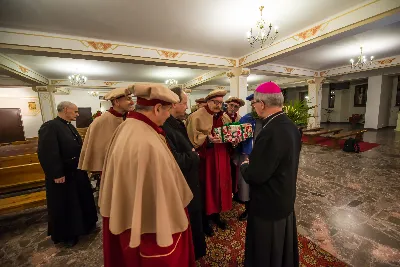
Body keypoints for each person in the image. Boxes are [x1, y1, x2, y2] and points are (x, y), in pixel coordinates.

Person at [99, 84, 195, 267]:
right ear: (158, 108)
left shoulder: (129, 126)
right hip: (149, 223)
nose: (168, 116)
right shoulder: (145, 140)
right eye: (167, 110)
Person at [240, 82, 301, 267]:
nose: (254, 106)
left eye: (254, 103)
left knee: (266, 251)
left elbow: (256, 175)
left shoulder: (270, 131)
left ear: (262, 104)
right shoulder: (290, 126)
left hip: (269, 203)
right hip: (284, 195)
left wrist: (245, 165)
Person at [37, 101, 98, 247]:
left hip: (76, 172)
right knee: (66, 205)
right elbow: (47, 153)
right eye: (75, 112)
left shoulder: (69, 126)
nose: (77, 114)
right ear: (65, 110)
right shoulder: (50, 127)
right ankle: (67, 234)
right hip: (62, 175)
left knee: (79, 201)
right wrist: (56, 173)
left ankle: (84, 226)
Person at [162, 87, 206, 260]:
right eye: (184, 103)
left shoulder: (176, 123)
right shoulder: (165, 128)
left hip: (190, 179)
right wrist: (193, 155)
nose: (187, 108)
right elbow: (174, 160)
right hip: (183, 182)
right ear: (174, 104)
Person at [186, 89, 231, 237]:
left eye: (220, 103)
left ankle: (216, 215)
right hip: (207, 159)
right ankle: (205, 221)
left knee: (220, 187)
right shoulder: (196, 116)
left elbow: (229, 134)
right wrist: (207, 139)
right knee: (207, 188)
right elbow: (192, 138)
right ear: (208, 102)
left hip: (222, 157)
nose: (218, 105)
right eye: (215, 102)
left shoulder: (224, 117)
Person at [78, 87, 134, 189]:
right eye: (128, 99)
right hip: (109, 172)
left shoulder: (132, 119)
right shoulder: (100, 122)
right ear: (117, 102)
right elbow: (97, 149)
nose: (132, 103)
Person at [236, 94, 263, 221]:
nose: (253, 106)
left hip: (263, 156)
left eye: (255, 103)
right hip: (247, 154)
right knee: (246, 184)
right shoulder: (247, 118)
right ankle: (248, 209)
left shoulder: (268, 119)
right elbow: (237, 136)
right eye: (252, 104)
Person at [222, 97, 245, 201]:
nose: (233, 108)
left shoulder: (240, 119)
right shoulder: (221, 117)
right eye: (231, 105)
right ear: (227, 105)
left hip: (235, 150)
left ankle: (235, 192)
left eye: (236, 106)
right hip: (223, 149)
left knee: (235, 172)